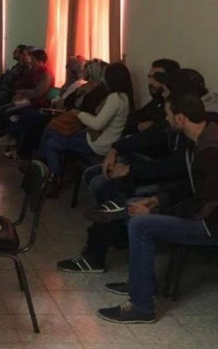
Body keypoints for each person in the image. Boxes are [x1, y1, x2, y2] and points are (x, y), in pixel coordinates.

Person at [57, 69, 214, 273]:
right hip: (170, 176)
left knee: (120, 197)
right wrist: (116, 149)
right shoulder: (178, 115)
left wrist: (132, 173)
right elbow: (149, 133)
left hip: (180, 186)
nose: (162, 94)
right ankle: (113, 236)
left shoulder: (200, 131)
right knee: (109, 184)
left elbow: (178, 169)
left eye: (167, 90)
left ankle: (99, 250)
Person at [97, 94, 218, 324]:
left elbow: (205, 205)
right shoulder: (196, 141)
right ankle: (143, 283)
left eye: (169, 115)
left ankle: (141, 306)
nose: (166, 120)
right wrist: (156, 200)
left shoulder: (211, 150)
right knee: (135, 205)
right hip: (203, 213)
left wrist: (156, 213)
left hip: (210, 223)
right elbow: (190, 185)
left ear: (181, 118)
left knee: (141, 224)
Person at [38, 62, 133, 182]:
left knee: (51, 135)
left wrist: (79, 114)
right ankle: (51, 174)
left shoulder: (115, 98)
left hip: (99, 144)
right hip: (98, 138)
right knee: (52, 139)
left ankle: (49, 174)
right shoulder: (125, 97)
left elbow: (97, 124)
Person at [124, 58, 180, 134]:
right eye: (149, 77)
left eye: (157, 77)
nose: (150, 82)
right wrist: (140, 126)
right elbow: (129, 121)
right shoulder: (156, 102)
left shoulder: (178, 106)